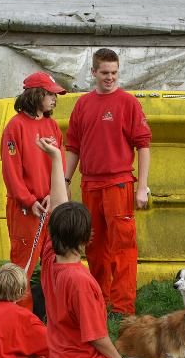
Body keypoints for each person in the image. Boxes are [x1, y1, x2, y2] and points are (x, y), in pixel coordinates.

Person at [36, 133, 156, 358]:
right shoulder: (80, 281)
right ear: (87, 238)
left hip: (61, 353)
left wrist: (56, 160)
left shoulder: (50, 258)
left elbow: (58, 207)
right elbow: (98, 338)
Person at [64, 48, 152, 317]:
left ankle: (123, 306)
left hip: (119, 185)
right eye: (104, 73)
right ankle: (100, 300)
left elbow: (143, 146)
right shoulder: (83, 104)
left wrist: (142, 187)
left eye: (114, 73)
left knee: (123, 247)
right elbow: (73, 146)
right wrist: (65, 180)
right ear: (93, 73)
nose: (110, 78)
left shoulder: (128, 103)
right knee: (93, 245)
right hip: (89, 185)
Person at [1, 71, 67, 311]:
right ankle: (20, 315)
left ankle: (52, 315)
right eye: (50, 94)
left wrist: (54, 193)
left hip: (50, 205)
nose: (54, 98)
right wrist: (29, 201)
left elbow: (60, 163)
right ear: (35, 95)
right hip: (26, 210)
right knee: (23, 265)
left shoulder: (52, 126)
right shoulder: (14, 127)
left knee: (54, 261)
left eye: (55, 94)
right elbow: (11, 173)